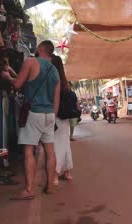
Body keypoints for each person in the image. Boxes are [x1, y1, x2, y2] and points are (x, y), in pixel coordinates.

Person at [3, 40, 60, 200]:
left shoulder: (31, 62)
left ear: (40, 49)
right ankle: (49, 186)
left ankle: (29, 189)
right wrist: (52, 117)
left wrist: (8, 77)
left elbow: (19, 83)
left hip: (34, 113)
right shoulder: (55, 71)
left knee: (28, 150)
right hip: (49, 114)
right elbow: (56, 99)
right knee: (50, 151)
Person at [51, 54, 73, 184]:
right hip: (64, 118)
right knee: (65, 144)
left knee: (57, 146)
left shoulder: (54, 80)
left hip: (56, 116)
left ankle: (55, 173)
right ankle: (67, 171)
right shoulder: (64, 81)